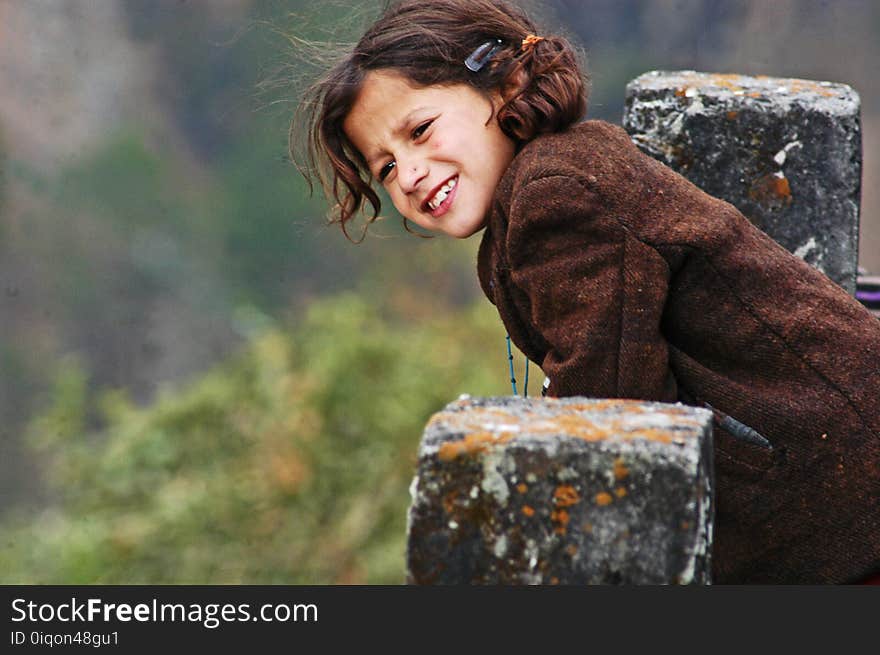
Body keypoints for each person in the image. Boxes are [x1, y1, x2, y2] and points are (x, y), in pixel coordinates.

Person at [293, 0, 880, 584]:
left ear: (505, 85)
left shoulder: (557, 195)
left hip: (840, 491)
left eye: (420, 131)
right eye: (386, 167)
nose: (411, 173)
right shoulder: (547, 184)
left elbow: (606, 412)